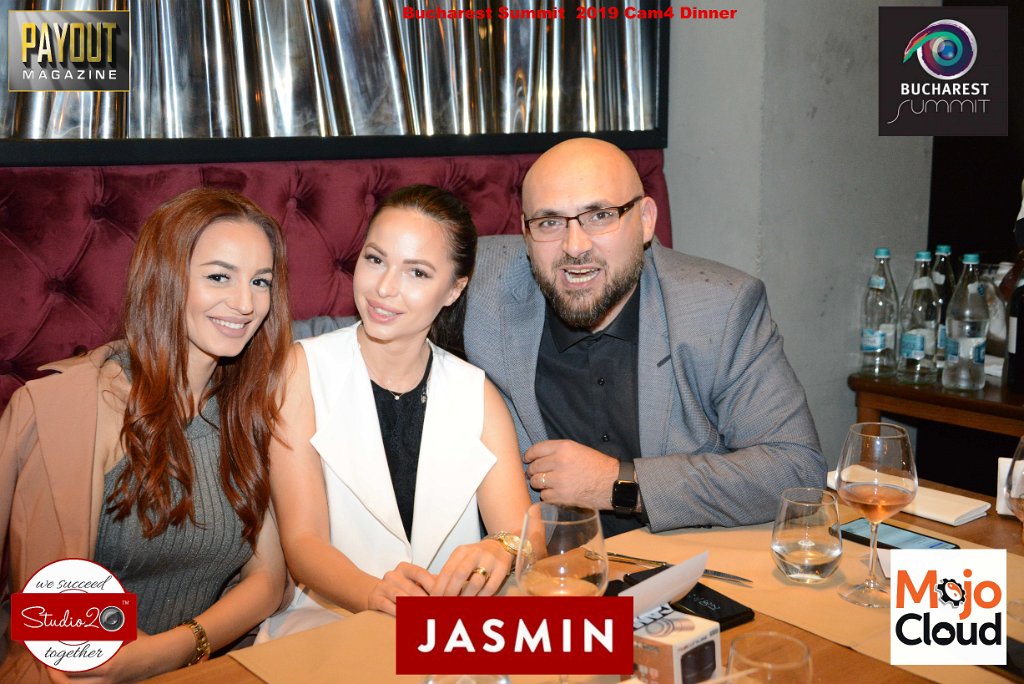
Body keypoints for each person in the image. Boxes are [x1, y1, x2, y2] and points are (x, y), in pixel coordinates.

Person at [297, 138, 825, 536]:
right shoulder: (485, 284)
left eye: (600, 216)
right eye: (549, 222)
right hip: (544, 579)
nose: (574, 246)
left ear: (645, 220)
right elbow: (370, 320)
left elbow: (796, 469)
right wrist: (247, 321)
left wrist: (618, 483)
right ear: (525, 233)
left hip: (686, 570)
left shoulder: (720, 309)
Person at [0, 188, 292, 682]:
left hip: (208, 664)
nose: (246, 303)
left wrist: (167, 651)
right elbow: (43, 601)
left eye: (260, 281)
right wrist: (128, 662)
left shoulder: (251, 403)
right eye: (219, 276)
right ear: (164, 278)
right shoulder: (68, 407)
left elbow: (266, 578)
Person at [264, 185, 530, 636]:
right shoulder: (300, 371)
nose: (385, 288)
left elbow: (521, 531)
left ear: (454, 289)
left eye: (417, 272)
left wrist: (501, 548)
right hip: (330, 624)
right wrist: (373, 593)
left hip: (449, 629)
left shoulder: (476, 393)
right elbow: (303, 542)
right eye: (375, 259)